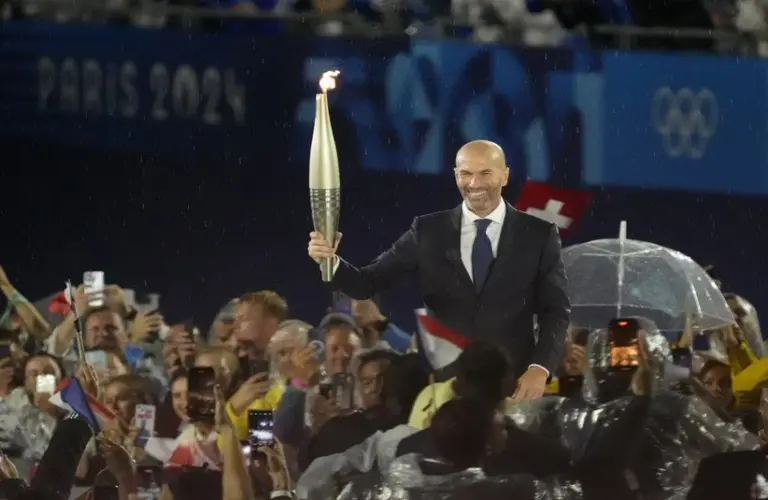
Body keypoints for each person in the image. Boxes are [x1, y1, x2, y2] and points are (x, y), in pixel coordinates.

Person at [308, 140, 569, 399]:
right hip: (447, 390)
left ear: (505, 175)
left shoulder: (538, 235)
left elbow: (555, 311)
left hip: (514, 387)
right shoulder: (428, 232)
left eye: (485, 173)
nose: (475, 184)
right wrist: (330, 262)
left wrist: (540, 368)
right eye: (466, 173)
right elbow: (367, 282)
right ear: (456, 176)